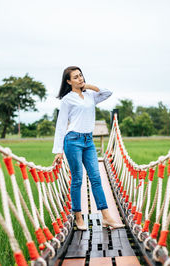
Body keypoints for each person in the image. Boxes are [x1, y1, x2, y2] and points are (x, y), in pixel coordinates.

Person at [52, 66, 124, 230]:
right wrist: (58, 150)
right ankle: (78, 217)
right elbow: (61, 125)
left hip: (88, 141)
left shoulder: (91, 96)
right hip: (73, 141)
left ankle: (106, 217)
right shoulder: (67, 100)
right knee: (77, 179)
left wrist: (88, 86)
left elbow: (107, 92)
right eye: (75, 77)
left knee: (96, 178)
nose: (80, 78)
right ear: (68, 81)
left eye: (81, 75)